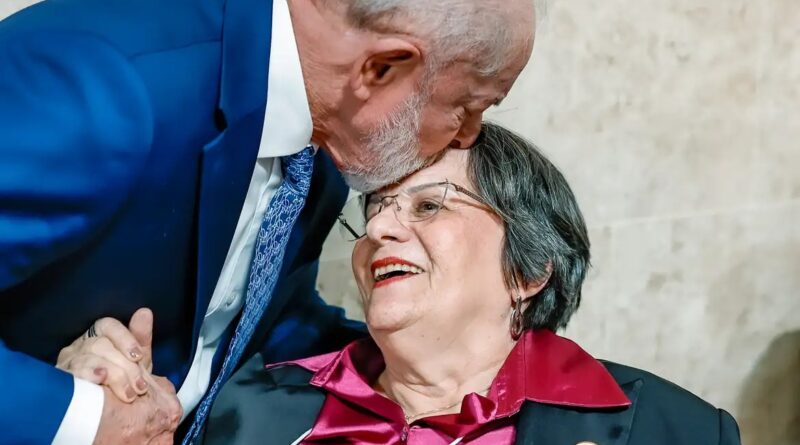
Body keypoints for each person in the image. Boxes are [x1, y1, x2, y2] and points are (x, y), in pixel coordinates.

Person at [0, 0, 535, 443]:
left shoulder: (321, 156)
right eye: (469, 105)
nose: (467, 135)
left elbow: (265, 322)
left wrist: (466, 366)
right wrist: (81, 417)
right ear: (381, 68)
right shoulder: (102, 84)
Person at [198, 122, 741, 444]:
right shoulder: (247, 409)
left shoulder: (673, 430)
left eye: (428, 206)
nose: (379, 230)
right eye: (375, 211)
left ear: (528, 270)